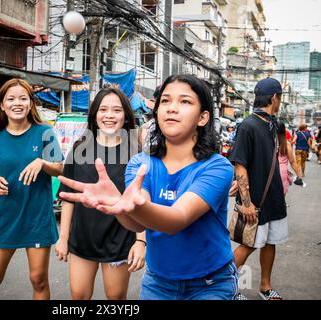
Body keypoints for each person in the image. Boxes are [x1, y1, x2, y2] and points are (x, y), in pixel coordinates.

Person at [59, 74, 238, 300]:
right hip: (158, 283)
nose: (171, 108)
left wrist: (131, 207)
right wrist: (121, 206)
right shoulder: (141, 163)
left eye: (184, 101)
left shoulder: (217, 167)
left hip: (209, 283)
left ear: (203, 118)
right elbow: (135, 222)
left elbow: (177, 219)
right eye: (165, 101)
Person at [0, 78, 63, 300]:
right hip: (5, 218)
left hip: (37, 218)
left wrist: (42, 163)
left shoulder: (45, 132)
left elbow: (60, 169)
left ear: (30, 104)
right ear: (2, 105)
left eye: (23, 98)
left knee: (39, 280)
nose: (17, 103)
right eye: (11, 99)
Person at [55, 88, 146, 300]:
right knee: (78, 296)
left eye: (116, 110)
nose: (109, 115)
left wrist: (140, 242)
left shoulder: (136, 153)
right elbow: (68, 197)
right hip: (82, 238)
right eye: (103, 109)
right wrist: (63, 237)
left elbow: (141, 202)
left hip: (119, 239)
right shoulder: (79, 150)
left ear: (125, 116)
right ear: (95, 115)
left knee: (115, 298)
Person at [229, 77, 287, 300]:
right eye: (280, 98)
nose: (280, 102)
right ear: (274, 97)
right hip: (255, 202)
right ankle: (229, 289)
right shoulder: (248, 125)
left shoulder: (272, 124)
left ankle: (265, 286)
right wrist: (247, 202)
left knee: (271, 243)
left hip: (274, 198)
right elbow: (240, 165)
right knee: (248, 245)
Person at [277, 122, 302, 195]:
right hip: (282, 172)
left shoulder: (268, 142)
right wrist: (299, 176)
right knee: (281, 198)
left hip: (268, 171)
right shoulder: (286, 143)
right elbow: (292, 162)